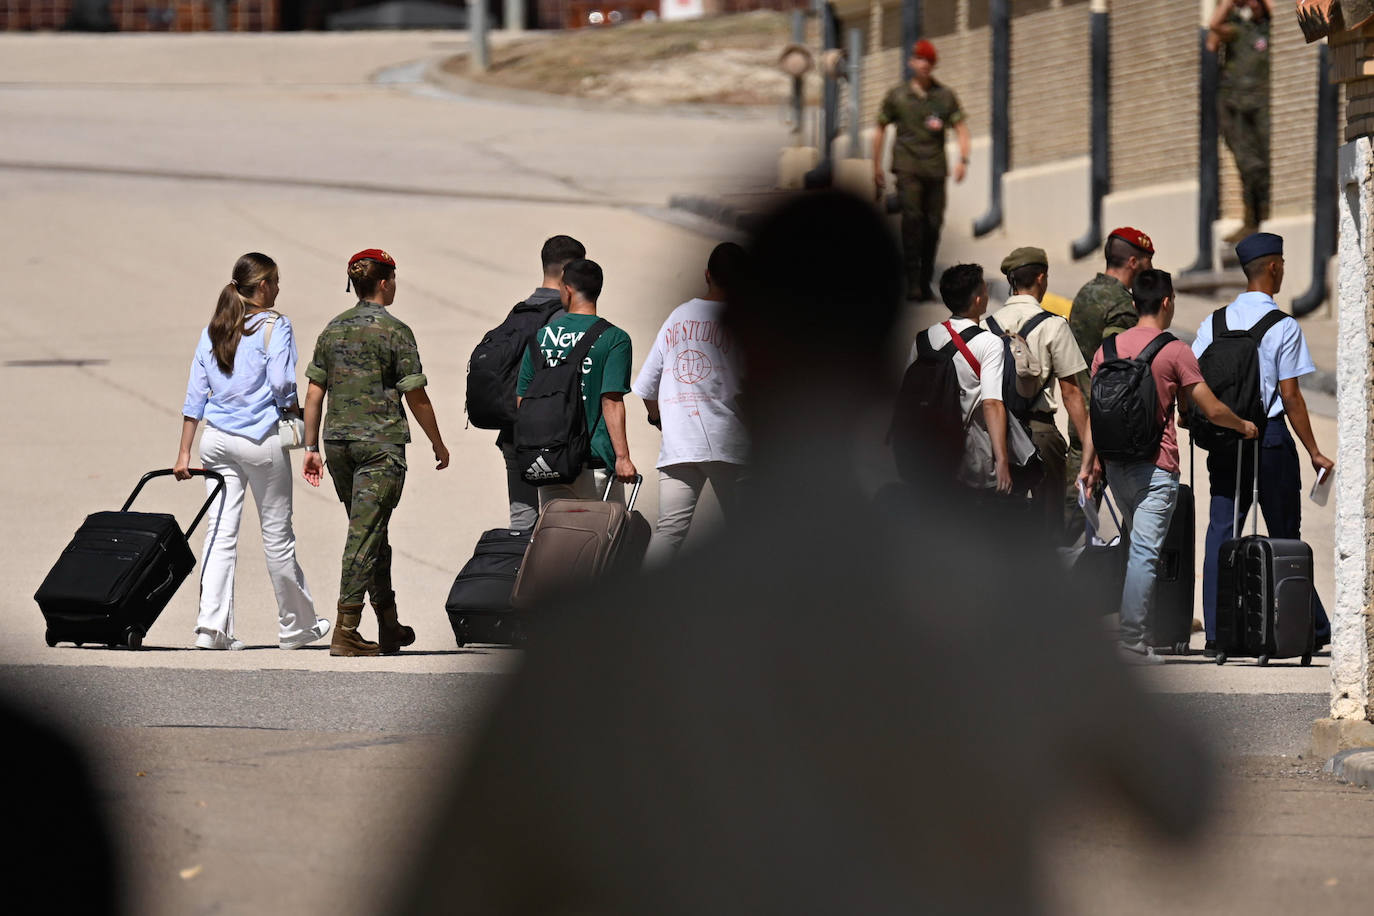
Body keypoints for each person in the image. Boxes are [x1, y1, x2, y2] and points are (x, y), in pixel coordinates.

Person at [394, 192, 1211, 916]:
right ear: (884, 351)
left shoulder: (596, 642)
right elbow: (1183, 799)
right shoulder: (1003, 598)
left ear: (742, 342)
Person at [1079, 270, 1257, 662]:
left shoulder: (1106, 351)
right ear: (1166, 301)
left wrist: (1089, 466)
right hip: (1156, 470)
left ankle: (1134, 633)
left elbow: (1095, 413)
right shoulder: (1175, 351)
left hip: (1117, 469)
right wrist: (1243, 425)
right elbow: (1209, 407)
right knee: (1145, 554)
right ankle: (1131, 638)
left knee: (1135, 550)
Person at [175, 252, 328, 651]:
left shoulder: (215, 328)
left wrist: (184, 453)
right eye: (275, 282)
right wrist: (291, 407)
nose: (279, 289)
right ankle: (296, 627)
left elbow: (195, 394)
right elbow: (280, 380)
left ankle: (210, 629)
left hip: (216, 441)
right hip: (259, 441)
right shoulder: (276, 326)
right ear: (262, 287)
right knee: (277, 536)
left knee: (219, 533)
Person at [302, 249, 450, 658]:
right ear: (384, 283)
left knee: (372, 530)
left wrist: (311, 446)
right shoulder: (395, 330)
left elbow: (315, 392)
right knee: (364, 534)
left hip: (337, 445)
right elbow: (415, 393)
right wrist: (437, 441)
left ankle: (388, 624)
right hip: (379, 448)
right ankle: (347, 629)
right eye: (395, 280)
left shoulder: (332, 330)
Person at [1191, 232, 1333, 654]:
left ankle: (1218, 633)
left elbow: (1196, 380)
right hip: (1269, 438)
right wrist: (1313, 450)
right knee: (1285, 534)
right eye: (1283, 264)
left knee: (1221, 530)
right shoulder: (1284, 326)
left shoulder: (1213, 322)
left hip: (1227, 437)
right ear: (1273, 267)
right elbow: (1290, 395)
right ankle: (1307, 628)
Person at [631, 243, 748, 565]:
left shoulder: (678, 316)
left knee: (669, 532)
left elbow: (647, 386)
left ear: (707, 274)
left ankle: (642, 606)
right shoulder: (741, 321)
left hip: (680, 444)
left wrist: (659, 420)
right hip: (731, 443)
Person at [983, 246, 1091, 544]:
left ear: (1012, 281)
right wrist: (1088, 452)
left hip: (996, 433)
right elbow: (1071, 393)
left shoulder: (986, 327)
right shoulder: (1054, 325)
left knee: (1000, 522)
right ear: (1041, 278)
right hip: (1040, 435)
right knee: (1047, 527)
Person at [516, 258, 636, 504]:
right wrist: (622, 458)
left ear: (567, 290)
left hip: (550, 460)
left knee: (557, 536)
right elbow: (611, 401)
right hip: (594, 460)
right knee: (603, 538)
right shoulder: (614, 338)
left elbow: (523, 401)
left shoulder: (541, 337)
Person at [494, 235, 585, 531]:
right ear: (569, 270)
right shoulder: (564, 318)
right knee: (561, 525)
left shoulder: (519, 311)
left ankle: (518, 575)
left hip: (514, 432)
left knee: (522, 523)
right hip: (553, 438)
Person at [1065, 227, 1153, 531]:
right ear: (1132, 262)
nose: (1149, 269)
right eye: (1146, 262)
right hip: (1102, 426)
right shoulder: (1120, 305)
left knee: (1072, 516)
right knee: (1083, 522)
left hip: (1081, 419)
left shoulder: (1086, 292)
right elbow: (1114, 377)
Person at [872, 38, 971, 303]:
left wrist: (963, 159)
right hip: (907, 168)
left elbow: (961, 128)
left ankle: (926, 279)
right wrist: (875, 165)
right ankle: (913, 281)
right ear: (912, 62)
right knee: (912, 220)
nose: (925, 64)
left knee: (933, 225)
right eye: (920, 59)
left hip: (935, 170)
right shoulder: (898, 96)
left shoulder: (944, 96)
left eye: (929, 60)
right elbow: (880, 129)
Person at [911, 262, 1012, 500]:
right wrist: (1003, 461)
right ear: (978, 299)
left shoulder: (924, 338)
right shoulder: (989, 343)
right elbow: (992, 404)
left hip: (926, 453)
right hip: (970, 460)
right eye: (985, 288)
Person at [1208, 0, 1272, 242]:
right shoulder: (1239, 29)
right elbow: (1213, 28)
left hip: (1262, 105)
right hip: (1235, 105)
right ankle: (1251, 220)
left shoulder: (1268, 29)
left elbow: (1279, 17)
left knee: (1265, 162)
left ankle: (1266, 215)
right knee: (1246, 163)